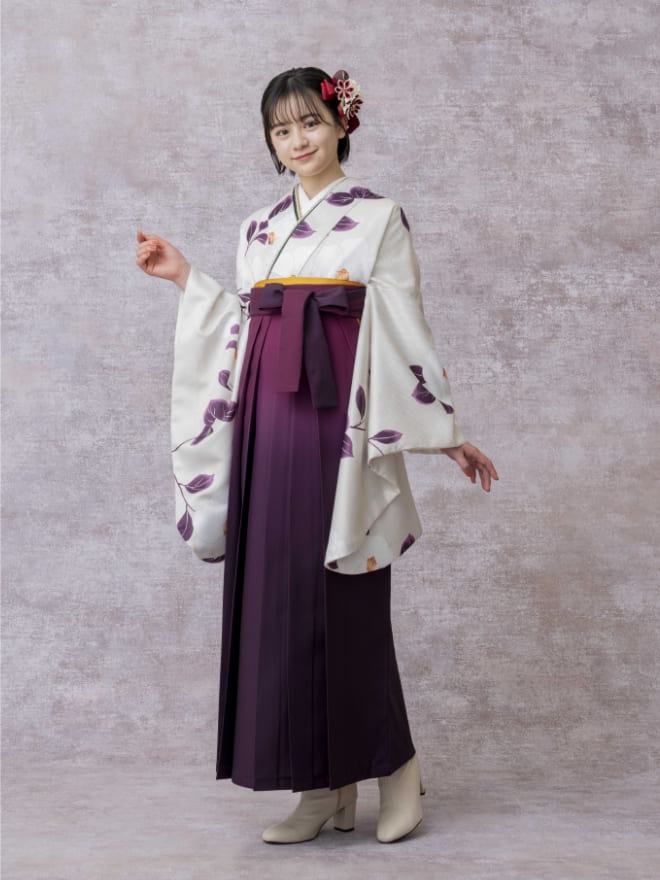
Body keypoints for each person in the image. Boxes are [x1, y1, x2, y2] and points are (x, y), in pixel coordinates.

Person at [136, 66, 498, 845]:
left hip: (341, 419)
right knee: (277, 598)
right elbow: (243, 324)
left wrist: (445, 432)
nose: (296, 140)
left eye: (309, 123)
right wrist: (186, 278)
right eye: (281, 129)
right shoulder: (258, 227)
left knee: (345, 593)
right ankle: (321, 785)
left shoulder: (379, 217)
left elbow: (403, 325)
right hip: (268, 418)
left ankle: (395, 766)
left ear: (341, 125)